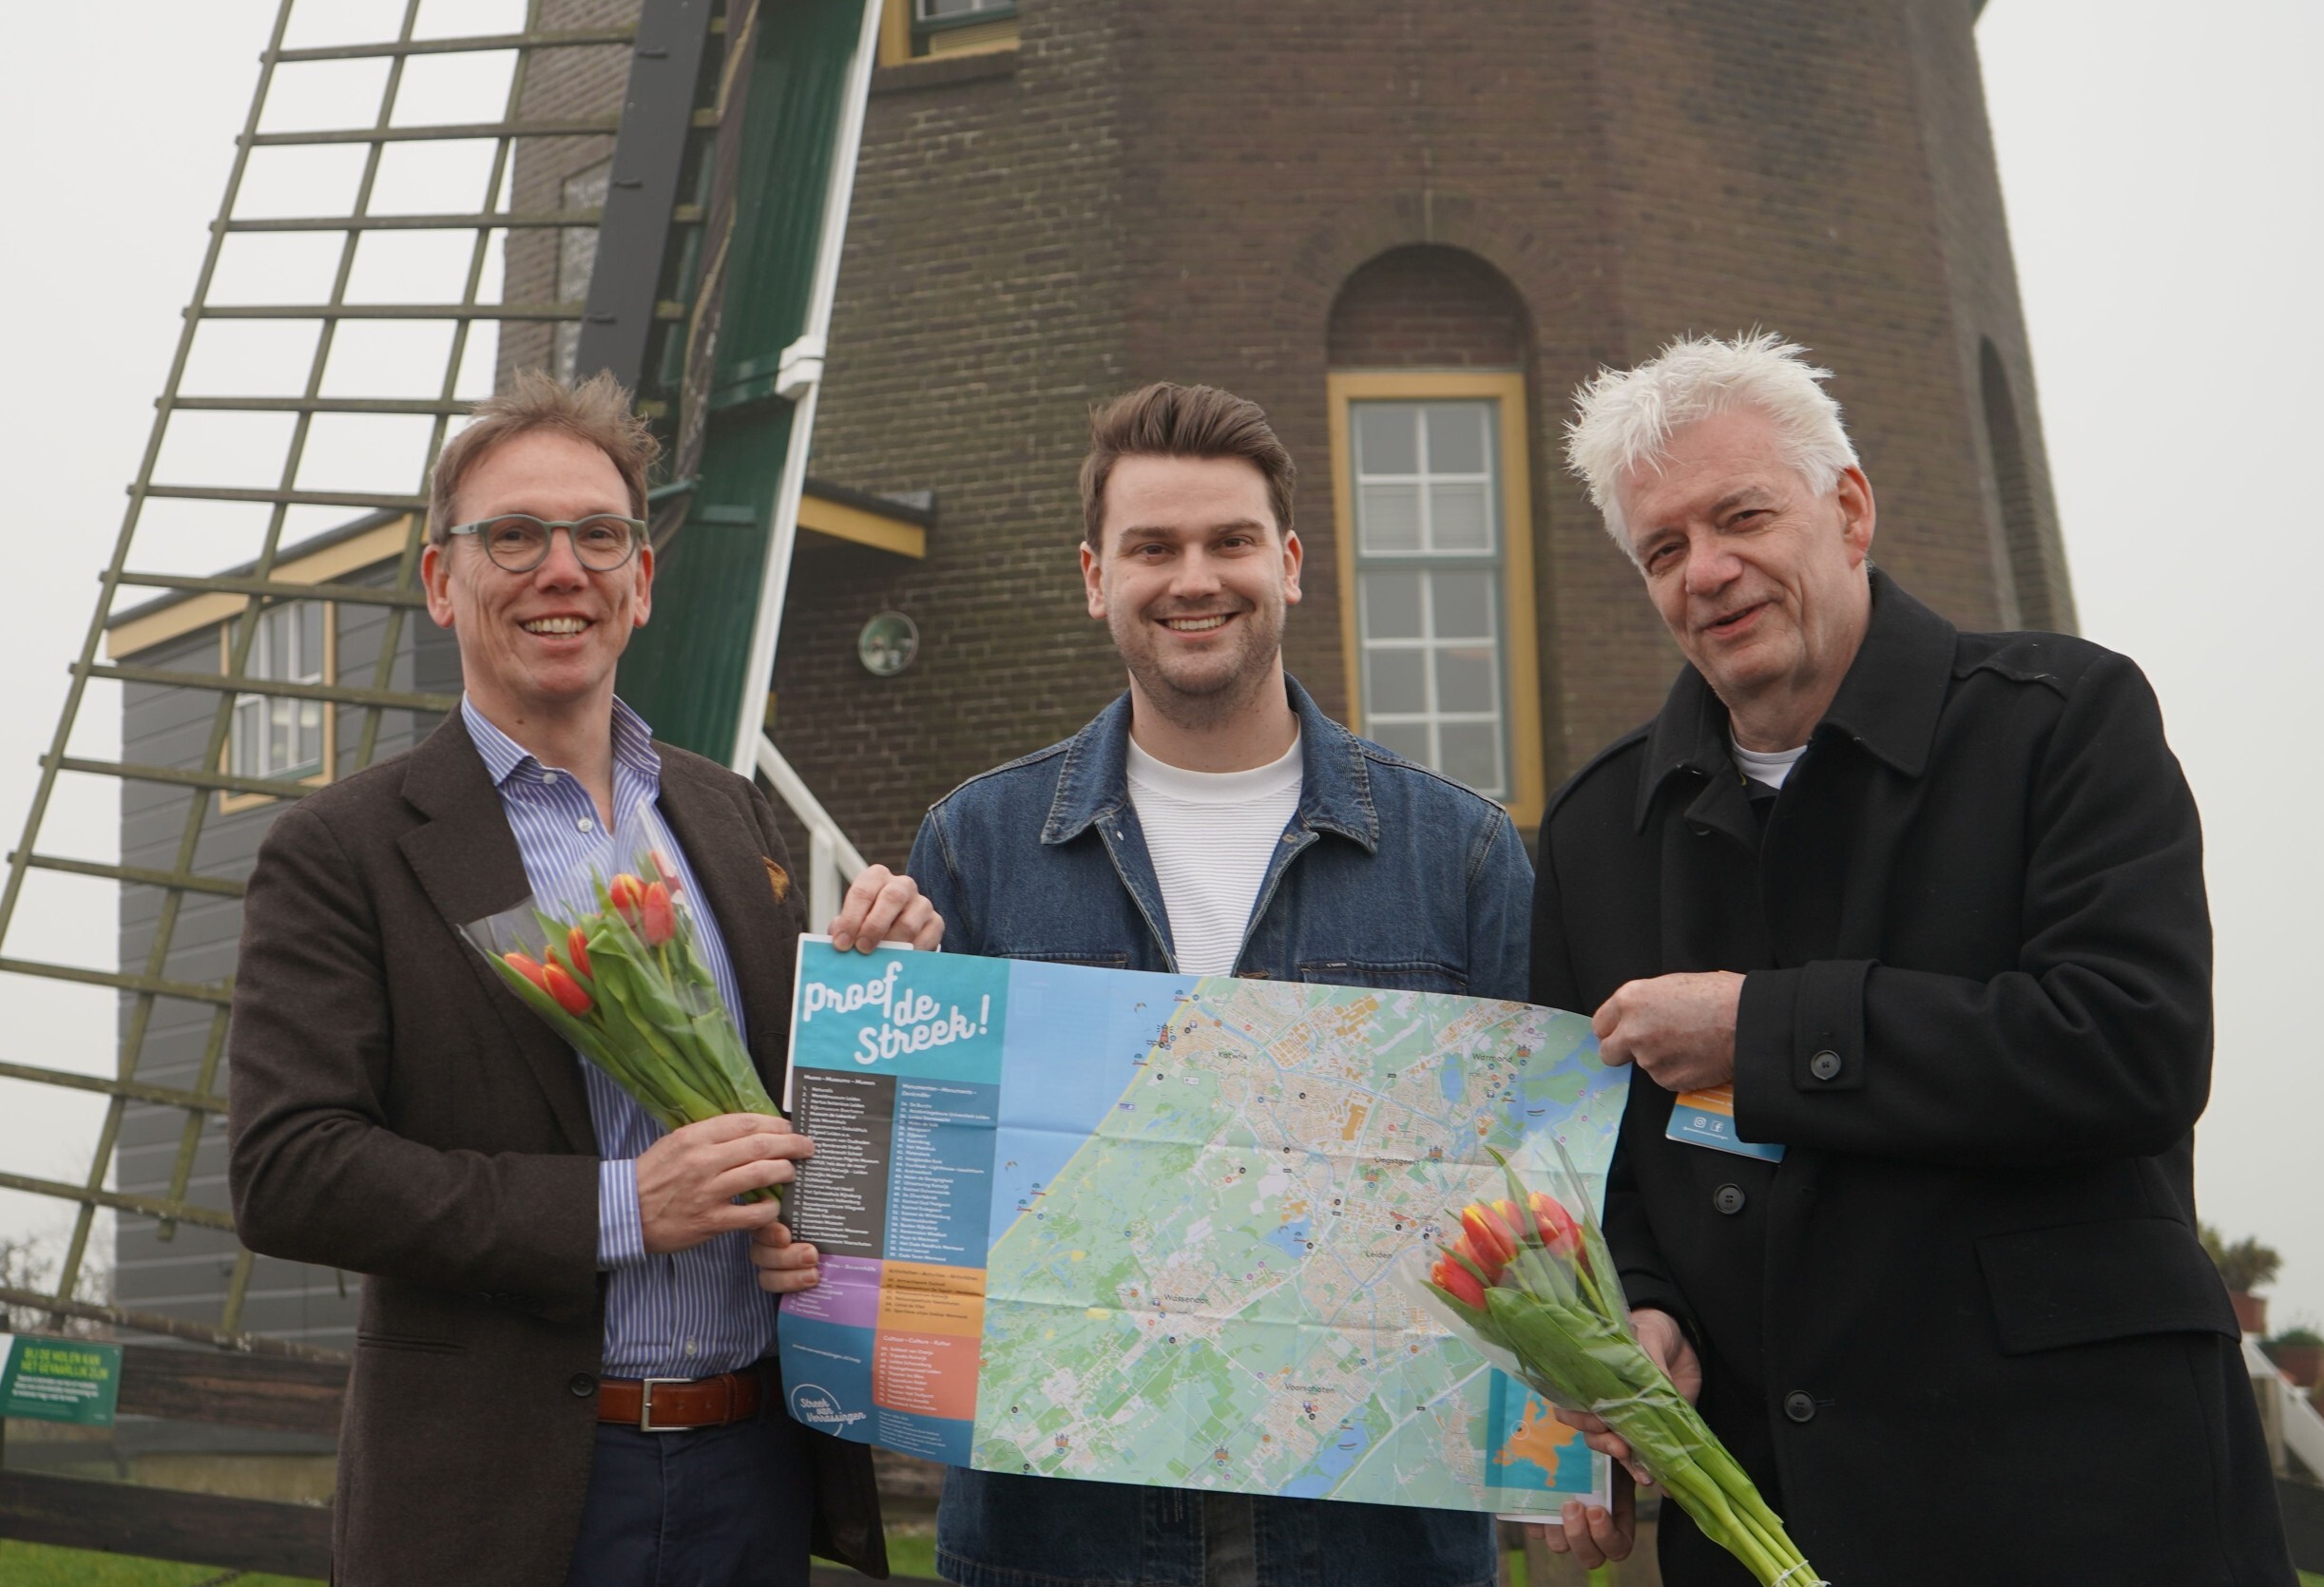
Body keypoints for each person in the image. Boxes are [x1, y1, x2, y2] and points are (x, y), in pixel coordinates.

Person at [1531, 334, 2291, 1584]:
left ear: (1850, 506)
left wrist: (1763, 1035)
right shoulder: (1596, 833)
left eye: (1742, 515)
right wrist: (1645, 1304)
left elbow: (2133, 1044)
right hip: (1775, 1524)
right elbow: (1590, 1162)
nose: (1707, 570)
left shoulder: (2066, 719)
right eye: (1663, 548)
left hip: (2086, 1509)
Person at [228, 371, 942, 1587]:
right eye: (513, 534)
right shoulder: (343, 849)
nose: (561, 568)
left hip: (752, 1475)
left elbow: (796, 1131)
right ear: (443, 582)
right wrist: (622, 1207)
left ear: (641, 582)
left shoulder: (731, 816)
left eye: (598, 535)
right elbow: (290, 1169)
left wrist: (891, 1013)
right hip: (502, 1498)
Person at [905, 382, 1533, 1587]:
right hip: (1063, 1544)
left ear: (1288, 563)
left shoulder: (1459, 853)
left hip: (1374, 1544)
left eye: (1229, 541)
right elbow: (917, 1202)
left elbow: (1533, 1205)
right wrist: (872, 1021)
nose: (1194, 576)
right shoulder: (971, 846)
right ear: (1096, 577)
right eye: (1153, 547)